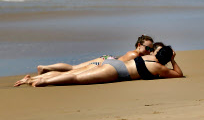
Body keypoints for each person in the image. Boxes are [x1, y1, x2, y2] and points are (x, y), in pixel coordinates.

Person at [27, 45, 183, 87]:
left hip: (113, 63)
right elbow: (179, 75)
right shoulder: (160, 68)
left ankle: (35, 78)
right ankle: (43, 82)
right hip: (117, 71)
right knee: (76, 78)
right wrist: (173, 60)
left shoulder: (149, 56)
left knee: (76, 72)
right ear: (167, 58)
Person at [35, 35, 154, 74]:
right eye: (147, 48)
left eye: (151, 49)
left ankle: (46, 68)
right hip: (107, 62)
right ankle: (46, 68)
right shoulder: (135, 55)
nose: (149, 51)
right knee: (74, 69)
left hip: (107, 59)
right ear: (139, 45)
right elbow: (122, 66)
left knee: (75, 68)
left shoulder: (136, 53)